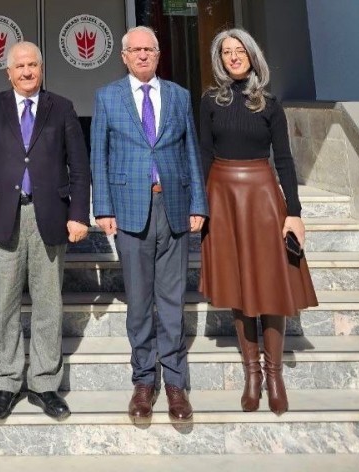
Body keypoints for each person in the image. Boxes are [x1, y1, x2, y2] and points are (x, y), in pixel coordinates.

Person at [0, 41, 91, 421]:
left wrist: (79, 215)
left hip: (49, 216)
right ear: (8, 72)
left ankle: (44, 384)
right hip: (3, 216)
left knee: (48, 304)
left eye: (33, 64)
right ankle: (6, 382)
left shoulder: (62, 108)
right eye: (19, 66)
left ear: (42, 68)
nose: (27, 71)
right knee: (4, 303)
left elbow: (79, 168)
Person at [91, 26, 208, 422]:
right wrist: (103, 208)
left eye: (149, 49)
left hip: (173, 206)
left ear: (158, 54)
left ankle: (175, 383)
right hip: (129, 210)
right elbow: (99, 157)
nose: (142, 55)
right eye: (135, 50)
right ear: (124, 56)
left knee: (172, 301)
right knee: (139, 302)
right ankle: (143, 380)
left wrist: (198, 203)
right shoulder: (107, 97)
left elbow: (191, 152)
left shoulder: (179, 95)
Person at [199, 28, 318, 415]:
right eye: (226, 52)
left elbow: (283, 159)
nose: (233, 57)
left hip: (263, 196)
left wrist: (294, 213)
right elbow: (203, 154)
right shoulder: (209, 101)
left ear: (252, 56)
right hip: (222, 195)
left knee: (270, 283)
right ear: (220, 60)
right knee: (238, 283)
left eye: (240, 51)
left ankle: (274, 374)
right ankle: (252, 374)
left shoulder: (269, 104)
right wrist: (200, 205)